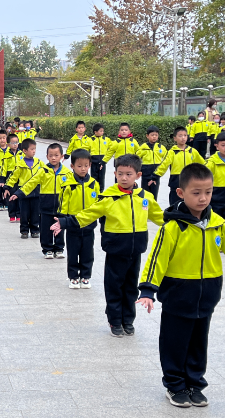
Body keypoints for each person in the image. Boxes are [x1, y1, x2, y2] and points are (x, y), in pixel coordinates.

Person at [139, 164, 225, 407]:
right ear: (181, 193)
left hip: (207, 294)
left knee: (198, 342)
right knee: (174, 342)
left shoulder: (219, 225)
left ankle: (195, 383)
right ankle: (174, 384)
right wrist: (148, 289)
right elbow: (156, 259)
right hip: (177, 295)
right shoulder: (172, 227)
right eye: (196, 193)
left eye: (208, 192)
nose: (203, 198)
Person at [57, 154, 164, 336]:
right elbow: (88, 214)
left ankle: (128, 320)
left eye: (128, 174)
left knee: (130, 288)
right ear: (114, 173)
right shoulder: (108, 197)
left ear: (138, 175)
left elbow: (160, 217)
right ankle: (115, 321)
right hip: (115, 250)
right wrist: (65, 222)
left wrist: (181, 223)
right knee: (114, 287)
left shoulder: (144, 197)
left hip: (135, 250)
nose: (124, 178)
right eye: (120, 174)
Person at [14, 142, 74, 258]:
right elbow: (31, 183)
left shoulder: (67, 173)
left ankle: (59, 248)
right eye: (51, 155)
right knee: (46, 229)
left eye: (56, 155)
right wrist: (19, 193)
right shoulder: (43, 171)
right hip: (45, 206)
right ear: (47, 157)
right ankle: (47, 249)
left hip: (61, 207)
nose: (53, 158)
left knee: (60, 228)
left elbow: (74, 188)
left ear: (62, 156)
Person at [55, 149, 100, 288]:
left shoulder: (94, 184)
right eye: (79, 166)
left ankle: (86, 276)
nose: (83, 169)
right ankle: (73, 276)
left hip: (89, 225)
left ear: (90, 165)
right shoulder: (67, 185)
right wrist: (62, 222)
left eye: (86, 165)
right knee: (73, 252)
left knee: (88, 252)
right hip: (72, 224)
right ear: (72, 166)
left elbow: (99, 204)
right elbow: (62, 205)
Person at [6, 138, 44, 240]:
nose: (34, 151)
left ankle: (35, 230)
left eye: (35, 149)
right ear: (25, 151)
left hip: (36, 192)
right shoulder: (20, 164)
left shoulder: (39, 162)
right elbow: (14, 177)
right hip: (23, 192)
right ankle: (24, 230)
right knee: (24, 213)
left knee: (36, 212)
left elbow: (46, 172)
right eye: (32, 149)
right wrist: (8, 187)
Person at [154, 127, 205, 199]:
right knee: (174, 202)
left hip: (189, 180)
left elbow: (203, 164)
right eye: (180, 136)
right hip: (175, 181)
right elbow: (164, 165)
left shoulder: (192, 151)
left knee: (189, 202)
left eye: (185, 135)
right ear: (175, 138)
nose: (183, 138)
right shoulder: (172, 152)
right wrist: (155, 176)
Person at [138, 125, 168, 200]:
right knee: (145, 194)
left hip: (156, 174)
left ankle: (153, 210)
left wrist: (161, 168)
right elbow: (137, 158)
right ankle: (145, 210)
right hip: (145, 174)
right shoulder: (143, 147)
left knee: (154, 194)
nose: (154, 137)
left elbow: (167, 158)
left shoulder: (160, 147)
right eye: (152, 135)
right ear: (147, 136)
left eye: (156, 135)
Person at [88, 123, 111, 187]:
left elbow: (112, 148)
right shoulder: (90, 140)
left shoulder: (106, 139)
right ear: (95, 132)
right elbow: (85, 150)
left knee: (101, 177)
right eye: (100, 131)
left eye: (103, 131)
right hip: (93, 162)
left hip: (102, 161)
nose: (102, 132)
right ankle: (94, 190)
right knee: (93, 177)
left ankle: (101, 191)